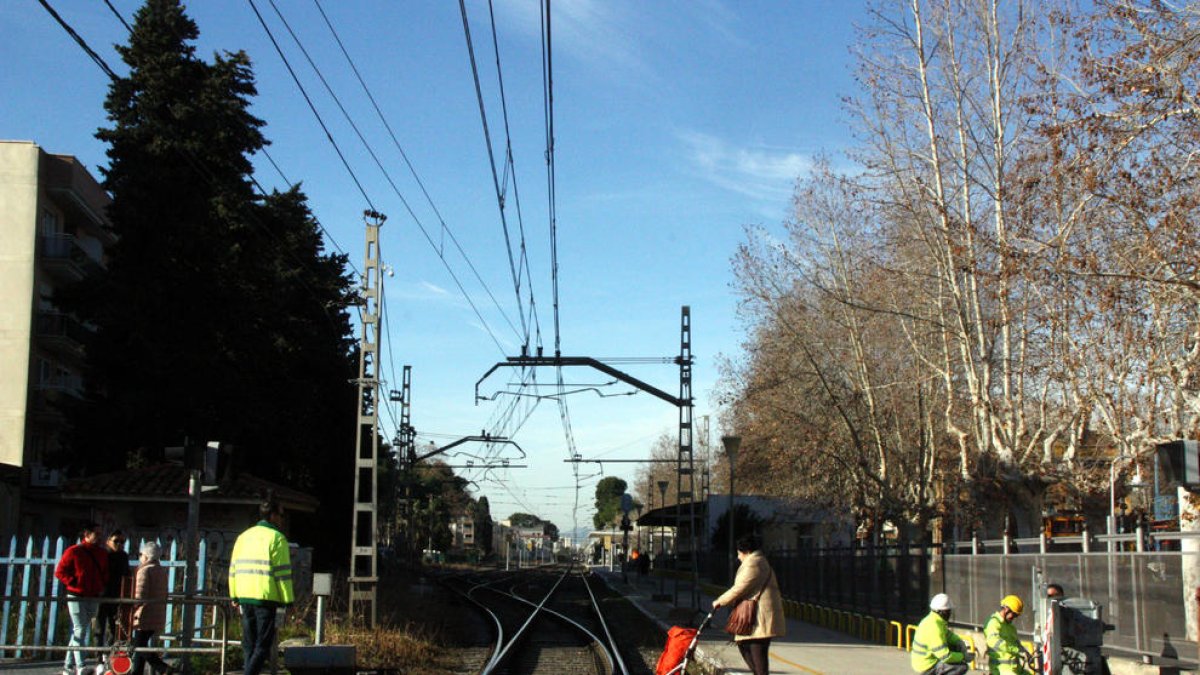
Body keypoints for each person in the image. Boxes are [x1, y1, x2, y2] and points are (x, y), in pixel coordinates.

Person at [229, 493, 294, 675]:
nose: (282, 519)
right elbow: (283, 574)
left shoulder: (243, 536)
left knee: (249, 644)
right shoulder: (277, 539)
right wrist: (288, 601)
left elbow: (233, 569)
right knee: (263, 645)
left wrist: (234, 594)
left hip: (244, 596)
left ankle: (249, 670)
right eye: (281, 515)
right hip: (265, 597)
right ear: (272, 515)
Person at [711, 534, 785, 675]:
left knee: (758, 656)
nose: (738, 557)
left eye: (739, 553)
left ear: (746, 551)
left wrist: (719, 601)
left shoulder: (754, 563)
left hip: (759, 618)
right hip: (755, 618)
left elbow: (740, 587)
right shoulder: (758, 561)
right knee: (747, 648)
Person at [55, 523, 109, 675]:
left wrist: (100, 584)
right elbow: (60, 571)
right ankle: (81, 665)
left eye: (100, 533)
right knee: (80, 629)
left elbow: (105, 572)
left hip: (93, 595)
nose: (99, 537)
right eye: (96, 534)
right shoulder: (74, 552)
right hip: (76, 595)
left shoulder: (101, 553)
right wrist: (74, 582)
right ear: (87, 534)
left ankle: (67, 666)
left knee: (80, 630)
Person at [130, 541, 172, 674]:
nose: (140, 557)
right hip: (157, 613)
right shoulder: (161, 570)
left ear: (146, 556)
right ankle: (138, 671)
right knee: (140, 645)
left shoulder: (144, 571)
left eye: (141, 554)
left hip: (144, 614)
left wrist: (133, 607)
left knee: (139, 646)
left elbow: (140, 595)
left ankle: (162, 668)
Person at [911, 593, 971, 675]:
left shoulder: (935, 620)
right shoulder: (934, 627)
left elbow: (948, 635)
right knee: (961, 667)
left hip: (925, 660)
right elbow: (945, 656)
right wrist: (963, 656)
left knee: (954, 648)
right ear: (942, 612)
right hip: (927, 665)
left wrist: (959, 642)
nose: (950, 614)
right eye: (948, 611)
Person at [97, 529, 132, 647]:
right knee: (99, 628)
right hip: (101, 596)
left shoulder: (123, 556)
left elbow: (127, 575)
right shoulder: (102, 555)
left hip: (117, 596)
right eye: (116, 541)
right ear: (108, 541)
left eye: (122, 542)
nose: (119, 544)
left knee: (115, 628)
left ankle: (109, 652)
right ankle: (99, 656)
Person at [985, 595, 1031, 675]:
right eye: (1014, 614)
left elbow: (1016, 644)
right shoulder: (993, 623)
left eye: (1016, 616)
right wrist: (1017, 650)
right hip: (1000, 669)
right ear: (1006, 609)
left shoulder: (1011, 627)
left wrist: (1024, 651)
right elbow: (993, 642)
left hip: (1015, 668)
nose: (1014, 617)